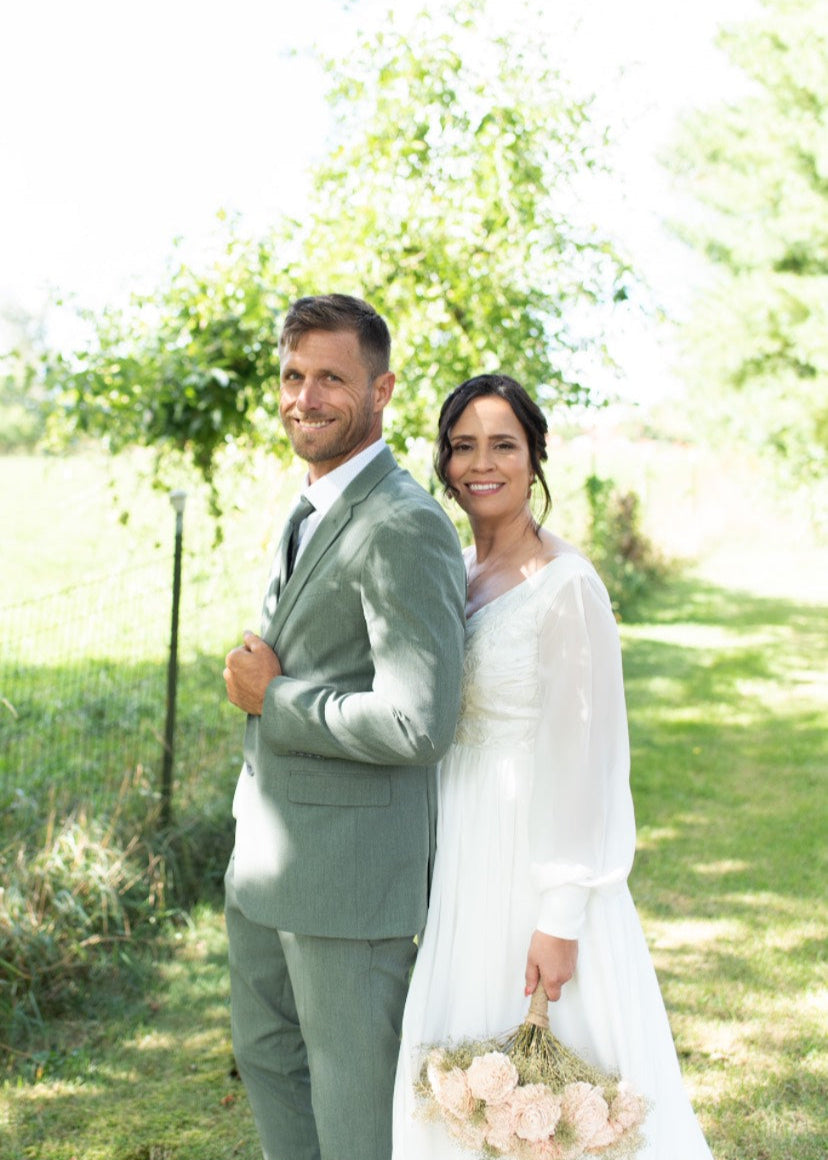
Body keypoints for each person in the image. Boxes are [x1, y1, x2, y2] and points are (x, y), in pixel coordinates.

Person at [392, 373, 714, 1159]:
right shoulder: (457, 574)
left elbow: (587, 758)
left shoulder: (566, 585)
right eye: (462, 446)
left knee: (555, 1088)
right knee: (459, 1073)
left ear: (536, 458)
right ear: (443, 461)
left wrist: (561, 915)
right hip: (461, 857)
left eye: (503, 443)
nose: (481, 463)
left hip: (531, 864)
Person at [223, 294, 467, 1160]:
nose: (306, 397)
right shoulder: (312, 505)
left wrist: (273, 700)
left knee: (357, 1106)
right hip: (271, 856)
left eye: (332, 377)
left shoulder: (403, 525)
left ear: (382, 389)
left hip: (351, 882)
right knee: (267, 1061)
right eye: (294, 376)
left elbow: (418, 721)